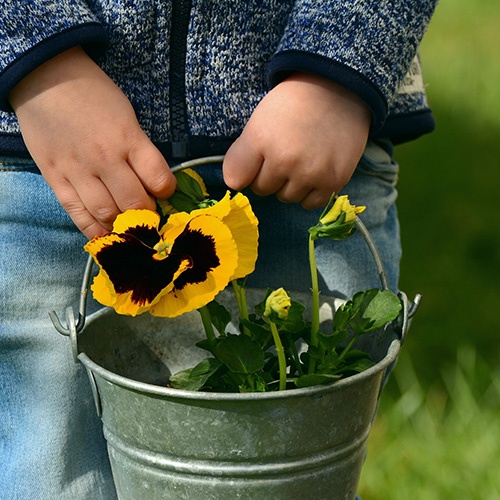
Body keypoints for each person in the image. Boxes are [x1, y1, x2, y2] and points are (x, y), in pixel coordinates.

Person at [0, 2, 437, 498]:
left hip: (313, 141)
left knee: (304, 466)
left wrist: (340, 65)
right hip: (55, 149)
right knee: (49, 473)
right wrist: (36, 60)